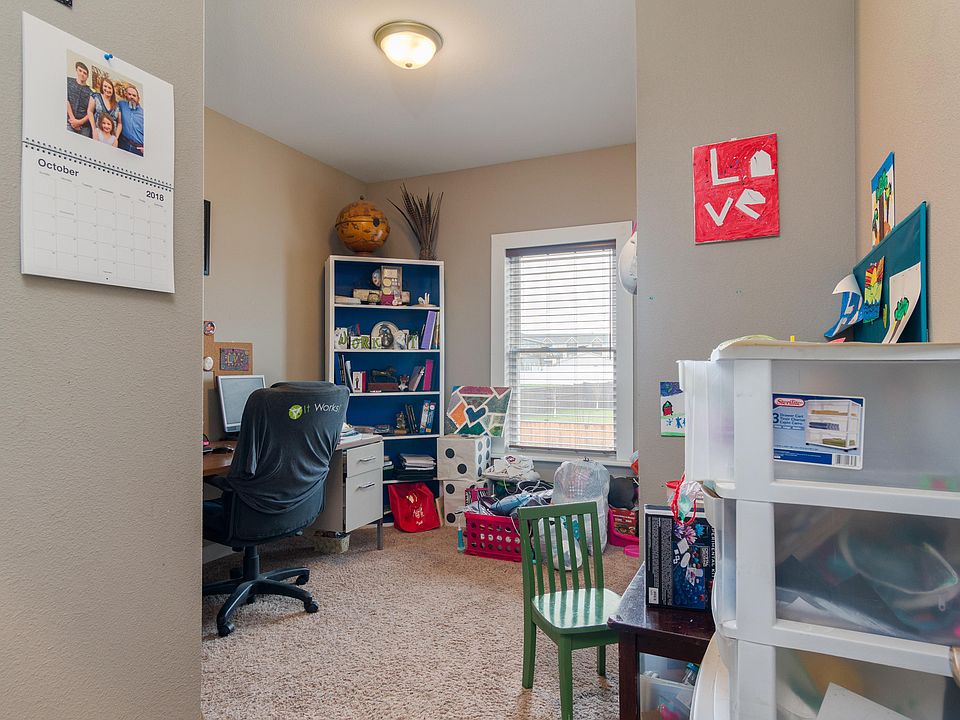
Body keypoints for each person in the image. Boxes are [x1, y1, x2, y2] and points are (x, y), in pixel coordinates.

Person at [66, 61, 93, 138]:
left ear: (87, 76)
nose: (82, 74)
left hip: (84, 127)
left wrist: (79, 122)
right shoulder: (68, 81)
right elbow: (66, 100)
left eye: (85, 73)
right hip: (69, 122)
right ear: (76, 71)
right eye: (80, 71)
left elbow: (91, 111)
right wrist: (73, 121)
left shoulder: (91, 92)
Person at [117, 85, 144, 156]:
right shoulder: (121, 104)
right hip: (123, 145)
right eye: (129, 94)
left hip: (138, 150)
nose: (131, 97)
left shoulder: (144, 114)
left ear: (138, 98)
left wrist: (146, 148)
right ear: (126, 95)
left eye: (134, 95)